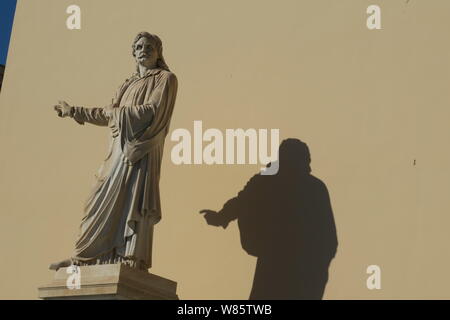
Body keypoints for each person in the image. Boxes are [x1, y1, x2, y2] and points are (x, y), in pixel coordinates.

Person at [51, 32, 178, 271]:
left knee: (131, 202)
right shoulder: (127, 84)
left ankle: (129, 259)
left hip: (138, 152)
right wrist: (74, 111)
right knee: (96, 199)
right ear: (133, 52)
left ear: (158, 53)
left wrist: (116, 114)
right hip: (116, 152)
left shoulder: (166, 79)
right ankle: (84, 257)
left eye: (150, 47)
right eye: (139, 46)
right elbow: (106, 113)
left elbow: (153, 111)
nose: (144, 50)